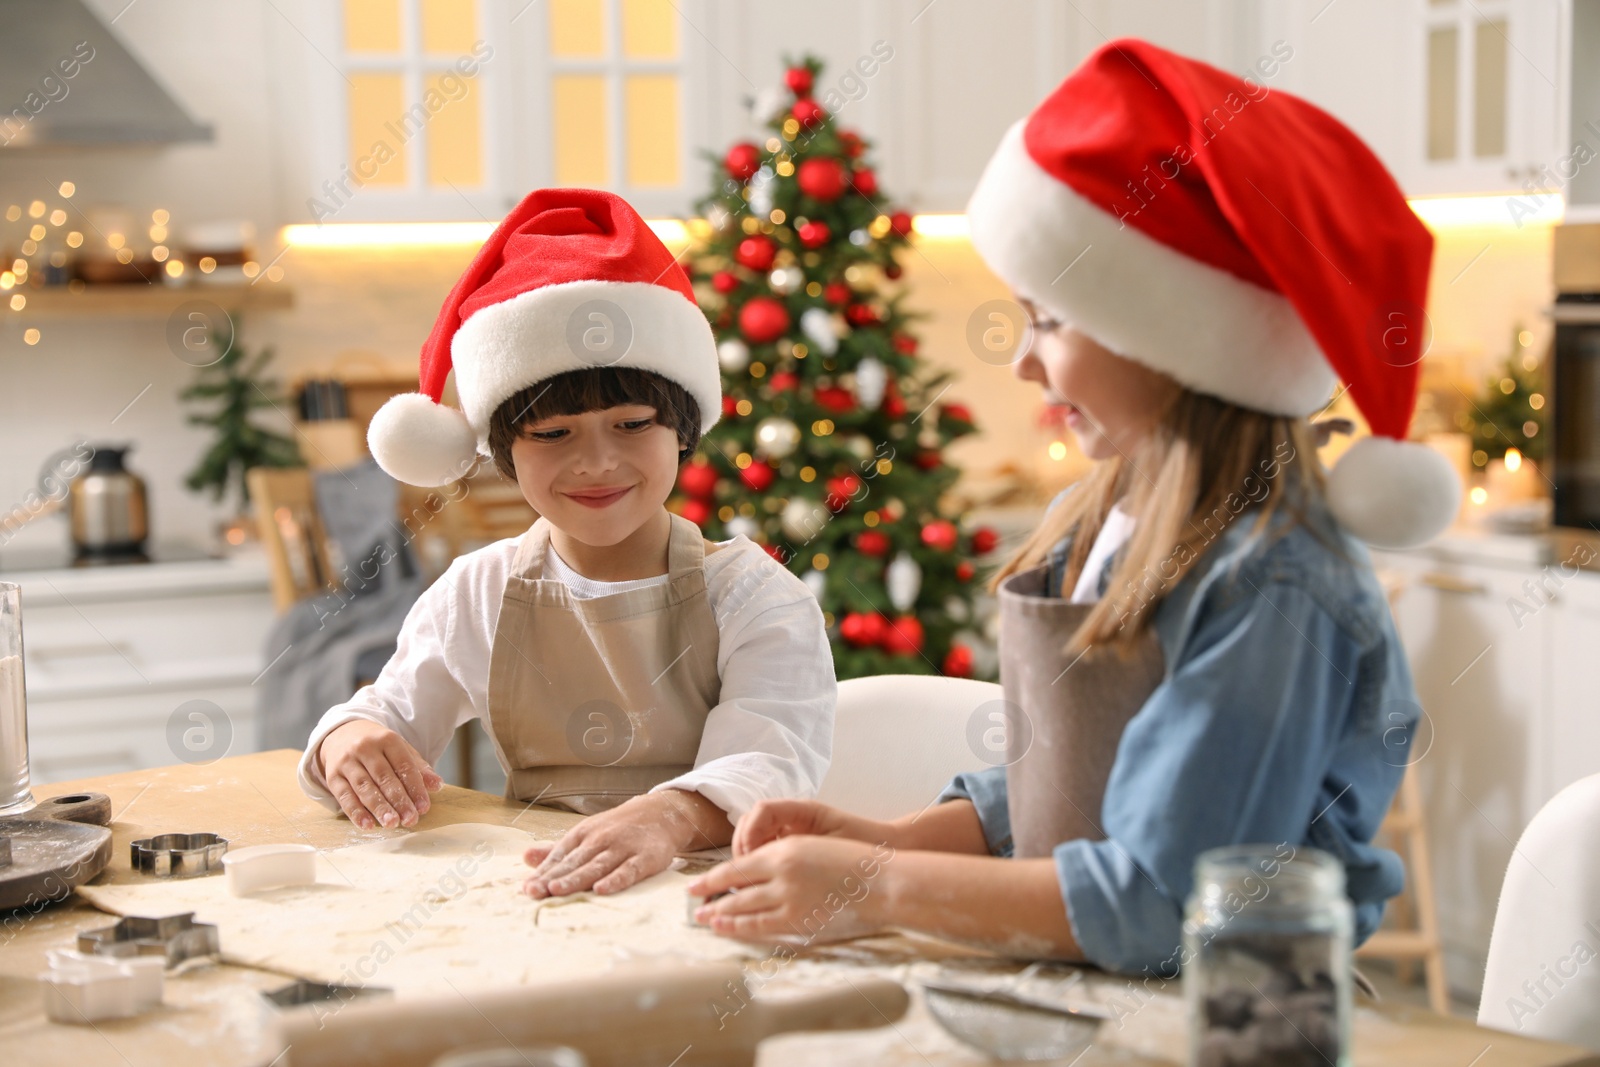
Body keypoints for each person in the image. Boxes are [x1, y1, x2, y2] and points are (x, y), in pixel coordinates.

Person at [686, 38, 1460, 975]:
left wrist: (876, 886)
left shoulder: (1274, 585)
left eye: (1049, 321)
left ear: (1178, 340)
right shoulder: (1111, 518)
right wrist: (885, 842)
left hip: (1235, 1016)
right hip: (1078, 982)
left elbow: (1168, 903)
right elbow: (1071, 780)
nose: (1023, 361)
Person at [296, 188, 835, 900]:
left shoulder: (751, 596)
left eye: (632, 423)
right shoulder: (479, 590)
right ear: (503, 450)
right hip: (542, 895)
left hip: (711, 897)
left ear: (682, 427)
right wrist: (348, 740)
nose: (597, 462)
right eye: (553, 434)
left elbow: (769, 761)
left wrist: (670, 816)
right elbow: (386, 712)